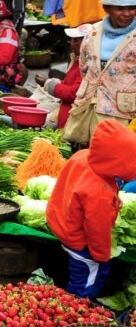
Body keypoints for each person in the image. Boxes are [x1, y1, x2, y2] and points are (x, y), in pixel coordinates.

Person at [46, 120, 136, 298]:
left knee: (88, 270)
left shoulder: (83, 156)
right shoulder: (99, 192)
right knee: (88, 279)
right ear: (117, 161)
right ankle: (76, 310)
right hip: (78, 240)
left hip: (62, 222)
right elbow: (97, 229)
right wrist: (101, 255)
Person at [68, 0, 136, 138]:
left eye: (132, 8)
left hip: (123, 112)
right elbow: (84, 67)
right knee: (85, 153)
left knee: (116, 156)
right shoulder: (92, 33)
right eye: (120, 8)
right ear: (107, 8)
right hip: (88, 107)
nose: (127, 13)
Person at [35, 25, 89, 129]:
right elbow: (69, 83)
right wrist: (54, 82)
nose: (71, 44)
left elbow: (74, 94)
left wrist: (48, 84)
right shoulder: (78, 59)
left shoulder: (87, 64)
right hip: (66, 105)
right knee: (36, 107)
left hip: (75, 111)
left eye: (76, 41)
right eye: (72, 40)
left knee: (44, 121)